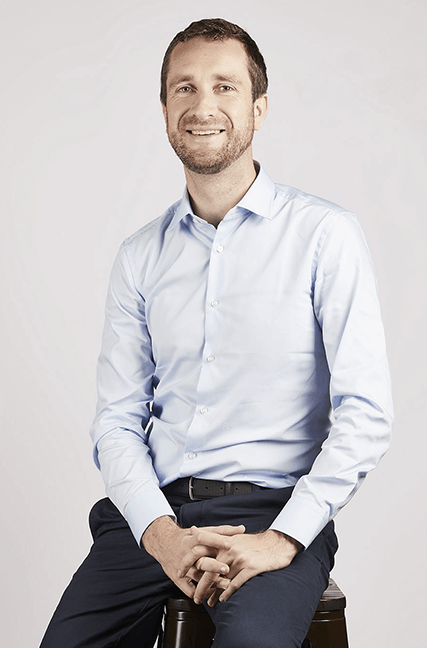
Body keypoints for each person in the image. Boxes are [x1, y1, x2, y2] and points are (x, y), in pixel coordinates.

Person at [40, 17, 393, 648]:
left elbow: (366, 413)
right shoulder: (139, 256)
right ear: (164, 110)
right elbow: (116, 421)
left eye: (224, 86)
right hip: (156, 514)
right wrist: (160, 533)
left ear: (259, 107)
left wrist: (284, 536)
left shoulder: (325, 236)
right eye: (185, 88)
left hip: (273, 511)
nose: (203, 106)